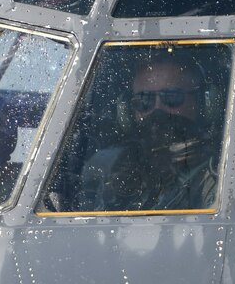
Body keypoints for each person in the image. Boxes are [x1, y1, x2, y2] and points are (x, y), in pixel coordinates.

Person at [75, 56, 220, 211]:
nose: (157, 110)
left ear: (203, 103)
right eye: (144, 101)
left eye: (172, 97)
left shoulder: (220, 175)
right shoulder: (107, 168)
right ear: (128, 112)